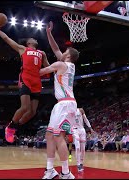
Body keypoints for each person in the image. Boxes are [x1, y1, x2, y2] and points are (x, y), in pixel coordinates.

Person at [0, 25, 50, 143]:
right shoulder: (22, 49)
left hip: (37, 81)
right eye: (32, 39)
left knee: (32, 112)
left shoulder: (42, 53)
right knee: (25, 107)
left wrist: (57, 68)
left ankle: (16, 126)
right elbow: (7, 39)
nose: (35, 39)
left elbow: (48, 67)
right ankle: (10, 128)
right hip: (26, 78)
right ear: (28, 42)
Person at [41, 21, 79, 179]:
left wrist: (32, 63)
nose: (61, 51)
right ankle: (50, 170)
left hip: (66, 103)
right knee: (50, 135)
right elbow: (55, 48)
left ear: (68, 56)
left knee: (58, 136)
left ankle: (65, 172)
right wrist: (49, 33)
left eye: (65, 51)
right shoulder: (66, 64)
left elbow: (41, 72)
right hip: (62, 104)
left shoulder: (61, 64)